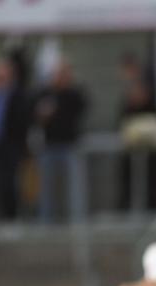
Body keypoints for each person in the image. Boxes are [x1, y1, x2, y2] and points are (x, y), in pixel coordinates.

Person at [33, 61, 87, 223]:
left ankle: (77, 220)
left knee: (75, 186)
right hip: (49, 146)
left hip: (70, 145)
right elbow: (34, 113)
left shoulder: (74, 94)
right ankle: (46, 220)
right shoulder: (45, 93)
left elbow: (81, 109)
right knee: (46, 188)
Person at [0, 58, 28, 219]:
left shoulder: (17, 94)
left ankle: (10, 216)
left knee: (9, 183)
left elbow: (21, 121)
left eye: (1, 74)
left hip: (10, 146)